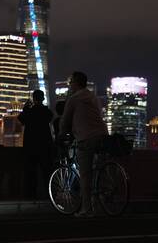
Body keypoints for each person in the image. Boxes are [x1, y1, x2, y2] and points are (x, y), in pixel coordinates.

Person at [60, 71, 108, 218]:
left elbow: (65, 120)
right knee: (100, 170)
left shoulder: (74, 98)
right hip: (102, 135)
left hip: (86, 137)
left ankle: (87, 209)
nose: (70, 85)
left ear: (76, 83)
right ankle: (103, 201)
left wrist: (62, 134)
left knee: (85, 174)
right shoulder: (93, 97)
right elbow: (98, 115)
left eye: (71, 83)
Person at [18, 90, 54, 199]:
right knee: (46, 171)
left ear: (33, 99)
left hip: (30, 145)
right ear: (43, 98)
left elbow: (21, 119)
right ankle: (49, 194)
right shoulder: (47, 111)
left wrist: (25, 108)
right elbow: (49, 118)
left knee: (30, 172)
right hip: (44, 144)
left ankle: (30, 194)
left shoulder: (29, 111)